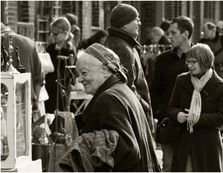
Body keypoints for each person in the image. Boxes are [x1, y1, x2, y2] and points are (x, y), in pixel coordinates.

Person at [59, 43, 161, 171]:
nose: (79, 79)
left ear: (105, 71)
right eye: (78, 74)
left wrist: (87, 144)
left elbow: (128, 149)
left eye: (84, 73)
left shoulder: (108, 98)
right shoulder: (120, 89)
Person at [168, 43, 223, 171]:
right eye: (188, 62)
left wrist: (197, 118)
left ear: (205, 61)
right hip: (184, 141)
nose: (189, 66)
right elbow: (172, 107)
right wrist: (178, 115)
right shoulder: (181, 80)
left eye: (193, 62)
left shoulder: (221, 86)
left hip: (208, 145)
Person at [150, 16, 194, 171]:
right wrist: (161, 111)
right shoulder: (163, 59)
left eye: (173, 33)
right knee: (168, 166)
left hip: (191, 125)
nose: (169, 36)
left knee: (188, 167)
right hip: (168, 122)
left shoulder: (201, 58)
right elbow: (154, 89)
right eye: (168, 33)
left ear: (186, 34)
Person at [103, 3, 154, 131]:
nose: (140, 23)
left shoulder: (123, 44)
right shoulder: (121, 48)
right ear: (125, 23)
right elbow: (126, 87)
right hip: (132, 115)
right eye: (136, 20)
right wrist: (145, 106)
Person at [1, 22, 45, 122]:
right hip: (26, 100)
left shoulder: (2, 41)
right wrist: (35, 102)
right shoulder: (29, 42)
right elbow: (40, 78)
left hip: (4, 103)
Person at [45, 17, 76, 113]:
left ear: (65, 33)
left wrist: (50, 83)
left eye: (55, 34)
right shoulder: (51, 48)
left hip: (59, 90)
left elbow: (67, 74)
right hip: (47, 87)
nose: (53, 36)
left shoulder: (69, 51)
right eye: (52, 33)